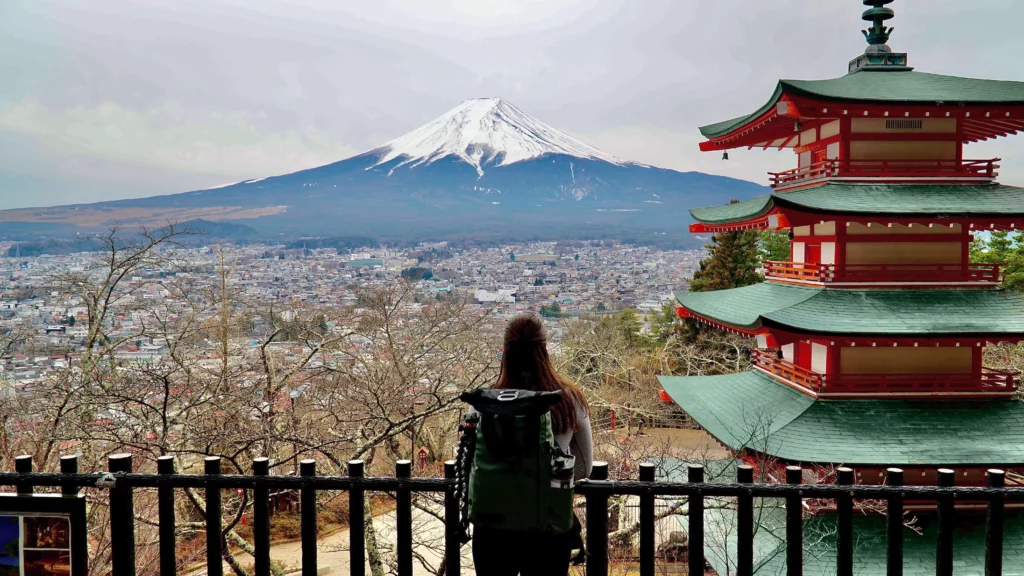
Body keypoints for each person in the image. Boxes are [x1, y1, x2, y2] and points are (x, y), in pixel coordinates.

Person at [471, 313, 593, 576]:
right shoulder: (568, 399)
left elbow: (474, 461)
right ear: (545, 350)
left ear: (505, 352)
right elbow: (583, 468)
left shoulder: (486, 403)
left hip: (493, 526)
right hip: (547, 523)